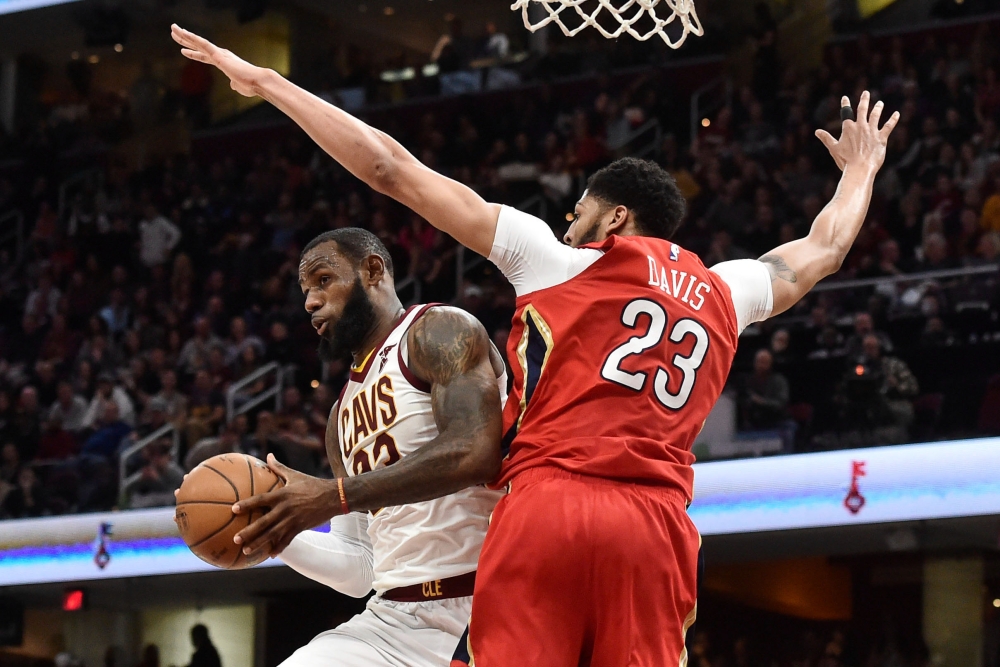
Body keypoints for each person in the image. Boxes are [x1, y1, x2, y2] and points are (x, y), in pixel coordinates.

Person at [173, 26, 898, 666]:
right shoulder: (723, 291)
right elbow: (823, 248)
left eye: (577, 208)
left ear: (613, 216)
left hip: (548, 504)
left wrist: (269, 85)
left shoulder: (556, 258)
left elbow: (390, 169)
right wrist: (860, 170)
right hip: (655, 525)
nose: (566, 217)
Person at [195, 228, 506, 667]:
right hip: (393, 620)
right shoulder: (340, 415)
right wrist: (277, 534)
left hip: (491, 604)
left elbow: (476, 451)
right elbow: (361, 569)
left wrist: (333, 496)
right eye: (305, 290)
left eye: (323, 280)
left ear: (373, 270)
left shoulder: (437, 331)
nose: (310, 302)